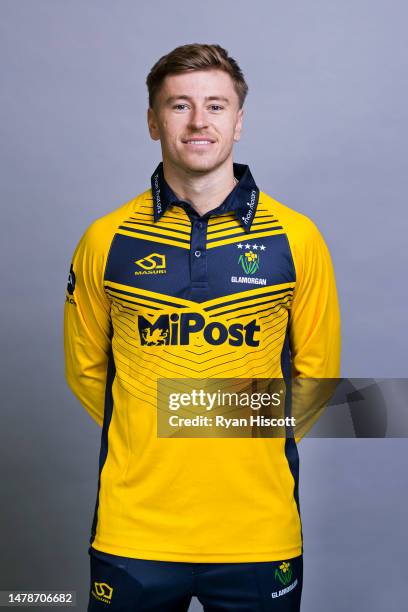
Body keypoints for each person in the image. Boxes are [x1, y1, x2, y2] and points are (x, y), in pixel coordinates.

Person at [64, 43, 341, 611]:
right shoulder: (105, 239)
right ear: (152, 120)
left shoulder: (297, 238)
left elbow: (317, 377)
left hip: (258, 532)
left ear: (239, 122)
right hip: (133, 531)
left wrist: (193, 414)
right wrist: (154, 423)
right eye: (179, 105)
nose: (198, 122)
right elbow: (89, 373)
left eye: (216, 106)